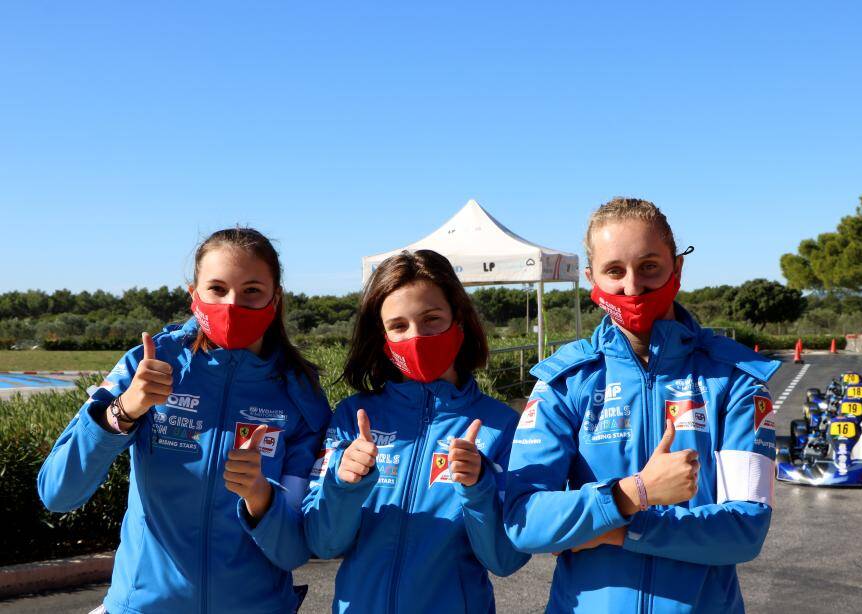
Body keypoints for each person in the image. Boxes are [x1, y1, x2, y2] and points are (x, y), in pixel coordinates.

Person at [503, 198, 779, 613]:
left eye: (649, 266)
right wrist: (633, 494)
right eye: (614, 271)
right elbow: (524, 520)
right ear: (590, 277)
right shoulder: (565, 381)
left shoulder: (736, 379)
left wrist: (613, 530)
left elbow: (745, 530)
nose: (632, 287)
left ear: (677, 269)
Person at [37, 227, 331, 614]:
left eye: (252, 291)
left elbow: (293, 550)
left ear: (275, 299)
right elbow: (58, 493)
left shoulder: (298, 395)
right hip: (143, 605)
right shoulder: (149, 364)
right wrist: (124, 410)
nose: (232, 304)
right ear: (194, 295)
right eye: (217, 288)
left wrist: (262, 498)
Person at [238, 249, 530, 613]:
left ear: (460, 320)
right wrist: (344, 484)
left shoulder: (500, 425)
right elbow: (323, 544)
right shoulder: (352, 417)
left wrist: (479, 485)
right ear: (382, 337)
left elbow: (504, 560)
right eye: (399, 326)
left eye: (432, 319)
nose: (416, 336)